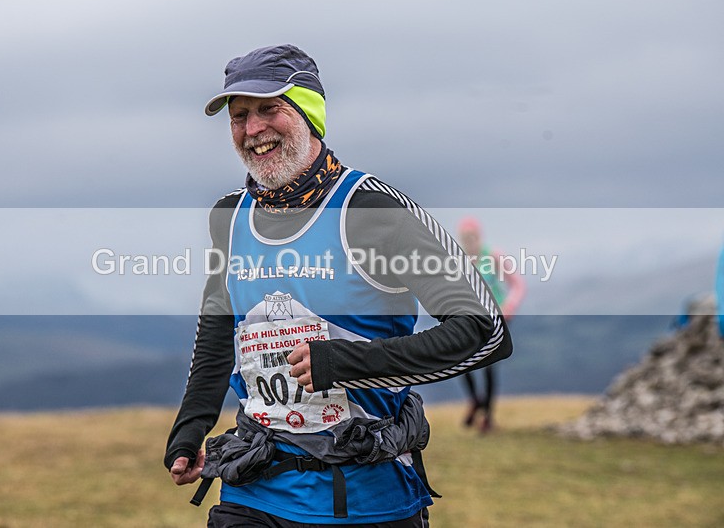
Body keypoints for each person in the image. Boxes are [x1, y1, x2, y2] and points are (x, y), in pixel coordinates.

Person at [164, 44, 513, 527]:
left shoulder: (371, 209)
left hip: (365, 498)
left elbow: (483, 330)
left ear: (309, 113)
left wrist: (346, 364)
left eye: (269, 109)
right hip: (254, 488)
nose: (252, 129)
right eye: (239, 116)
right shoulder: (230, 215)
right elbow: (220, 329)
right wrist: (191, 427)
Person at [456, 217, 525, 433]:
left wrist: (508, 307)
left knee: (488, 364)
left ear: (479, 236)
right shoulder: (459, 259)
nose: (469, 241)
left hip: (496, 317)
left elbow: (518, 284)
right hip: (472, 318)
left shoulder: (493, 255)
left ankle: (487, 417)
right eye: (465, 238)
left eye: (472, 236)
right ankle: (475, 400)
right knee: (461, 360)